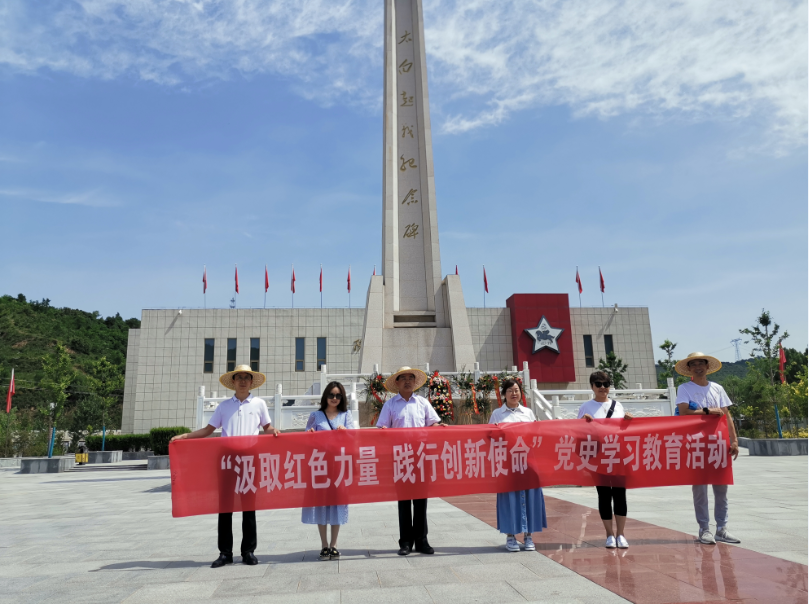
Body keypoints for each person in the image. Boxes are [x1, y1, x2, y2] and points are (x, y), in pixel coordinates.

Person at [171, 364, 279, 567]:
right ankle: (225, 553)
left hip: (249, 460)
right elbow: (207, 430)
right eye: (239, 377)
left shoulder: (259, 404)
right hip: (228, 460)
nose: (243, 381)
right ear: (233, 382)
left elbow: (267, 427)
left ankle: (248, 551)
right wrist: (185, 436)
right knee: (225, 507)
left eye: (246, 377)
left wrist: (274, 431)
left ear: (251, 382)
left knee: (249, 506)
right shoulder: (223, 407)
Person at [376, 366, 447, 556]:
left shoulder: (422, 403)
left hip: (421, 457)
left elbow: (433, 423)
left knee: (421, 501)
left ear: (415, 382)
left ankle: (422, 541)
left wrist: (440, 427)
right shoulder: (390, 405)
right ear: (397, 383)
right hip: (400, 458)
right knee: (404, 501)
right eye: (403, 378)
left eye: (411, 378)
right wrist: (383, 431)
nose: (407, 381)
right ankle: (405, 542)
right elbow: (382, 428)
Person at [674, 352, 740, 545]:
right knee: (700, 489)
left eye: (700, 363)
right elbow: (684, 412)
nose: (697, 367)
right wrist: (706, 411)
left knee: (721, 488)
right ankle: (704, 529)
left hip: (718, 444)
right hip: (696, 444)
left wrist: (734, 440)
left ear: (707, 366)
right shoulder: (684, 388)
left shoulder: (717, 388)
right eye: (693, 364)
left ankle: (722, 528)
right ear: (689, 369)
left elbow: (726, 416)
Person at [489, 379, 547, 552]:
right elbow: (490, 437)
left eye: (516, 390)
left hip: (528, 463)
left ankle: (529, 536)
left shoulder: (528, 413)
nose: (514, 393)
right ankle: (511, 536)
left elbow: (537, 435)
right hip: (508, 464)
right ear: (504, 394)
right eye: (510, 390)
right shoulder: (498, 414)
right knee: (509, 499)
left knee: (530, 498)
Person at [577, 370, 633, 549]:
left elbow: (624, 432)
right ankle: (609, 534)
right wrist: (584, 423)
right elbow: (578, 433)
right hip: (597, 457)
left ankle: (621, 534)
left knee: (620, 495)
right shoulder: (586, 407)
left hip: (617, 456)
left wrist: (628, 421)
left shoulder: (618, 406)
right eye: (599, 384)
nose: (603, 388)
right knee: (604, 494)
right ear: (592, 386)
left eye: (606, 384)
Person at [303, 381, 355, 561]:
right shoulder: (315, 416)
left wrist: (345, 431)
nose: (334, 398)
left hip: (339, 466)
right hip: (320, 466)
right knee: (321, 504)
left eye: (338, 395)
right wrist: (309, 434)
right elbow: (305, 440)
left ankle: (334, 544)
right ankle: (324, 545)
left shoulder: (346, 415)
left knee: (337, 504)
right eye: (331, 395)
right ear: (325, 396)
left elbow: (354, 439)